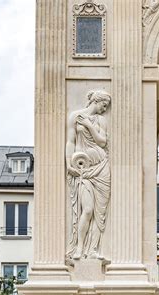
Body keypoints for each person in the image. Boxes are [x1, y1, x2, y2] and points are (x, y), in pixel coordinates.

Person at [66, 90, 111, 260]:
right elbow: (70, 141)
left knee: (100, 213)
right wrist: (68, 163)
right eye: (103, 104)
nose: (105, 108)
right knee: (88, 209)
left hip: (102, 168)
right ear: (96, 101)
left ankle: (93, 250)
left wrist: (90, 125)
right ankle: (79, 248)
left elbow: (102, 142)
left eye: (106, 106)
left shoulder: (101, 120)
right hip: (83, 169)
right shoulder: (75, 116)